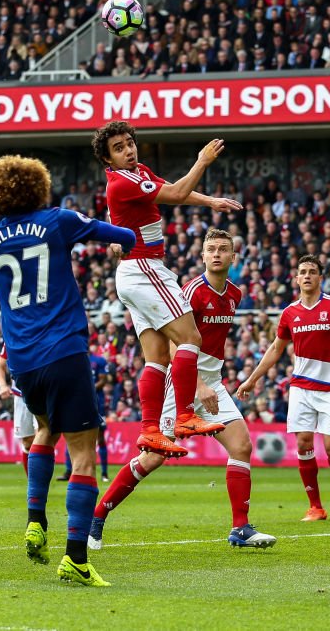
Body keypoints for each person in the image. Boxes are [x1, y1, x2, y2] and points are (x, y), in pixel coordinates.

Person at [0, 155, 137, 586]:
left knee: (45, 429)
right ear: (38, 186)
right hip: (63, 349)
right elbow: (124, 237)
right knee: (83, 453)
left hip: (23, 360)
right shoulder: (58, 221)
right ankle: (76, 559)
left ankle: (34, 520)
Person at [89, 229, 276, 549]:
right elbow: (176, 344)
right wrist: (198, 385)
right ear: (202, 256)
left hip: (212, 381)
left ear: (234, 258)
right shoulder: (190, 293)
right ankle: (96, 517)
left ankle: (240, 528)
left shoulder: (234, 294)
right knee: (152, 459)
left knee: (242, 446)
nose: (216, 254)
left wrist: (209, 382)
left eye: (223, 249)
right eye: (211, 249)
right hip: (182, 381)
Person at [93, 121, 242, 458]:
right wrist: (202, 160)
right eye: (119, 148)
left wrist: (210, 202)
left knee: (157, 358)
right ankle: (185, 417)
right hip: (145, 268)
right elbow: (175, 194)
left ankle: (149, 431)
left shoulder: (137, 173)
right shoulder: (122, 182)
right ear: (108, 160)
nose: (129, 150)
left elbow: (173, 189)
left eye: (130, 143)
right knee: (191, 338)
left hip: (132, 273)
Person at [237, 254, 330, 521]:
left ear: (320, 277)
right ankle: (315, 507)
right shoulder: (289, 313)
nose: (307, 276)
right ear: (296, 279)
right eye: (302, 272)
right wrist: (252, 379)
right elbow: (276, 349)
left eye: (312, 271)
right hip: (300, 388)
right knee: (304, 445)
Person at [0, 343, 34, 476]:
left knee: (43, 436)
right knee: (28, 442)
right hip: (21, 397)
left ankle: (39, 486)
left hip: (44, 395)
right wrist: (2, 385)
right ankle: (33, 485)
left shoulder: (44, 333)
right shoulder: (12, 337)